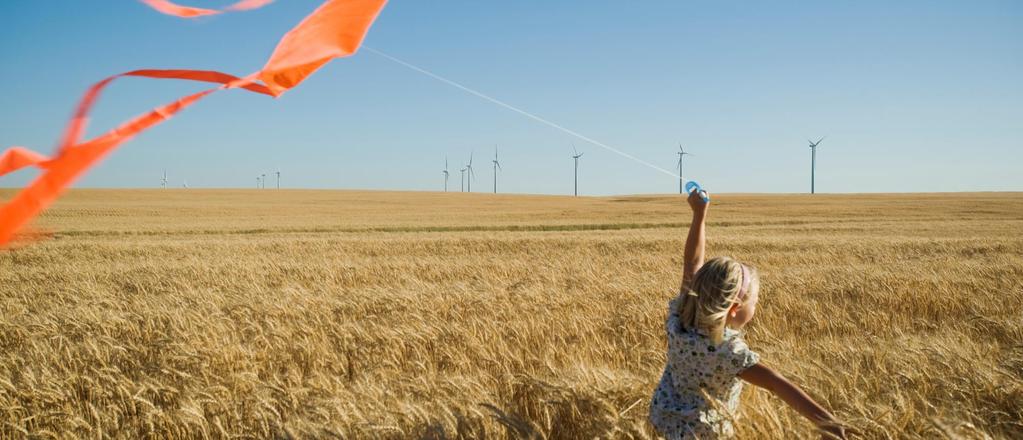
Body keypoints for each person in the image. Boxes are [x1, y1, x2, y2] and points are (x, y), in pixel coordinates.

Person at [649, 187, 848, 439]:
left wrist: (699, 214)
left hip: (661, 422)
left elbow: (692, 264)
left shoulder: (680, 319)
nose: (756, 307)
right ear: (734, 309)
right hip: (704, 434)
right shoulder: (728, 353)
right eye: (753, 301)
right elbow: (776, 383)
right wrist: (826, 421)